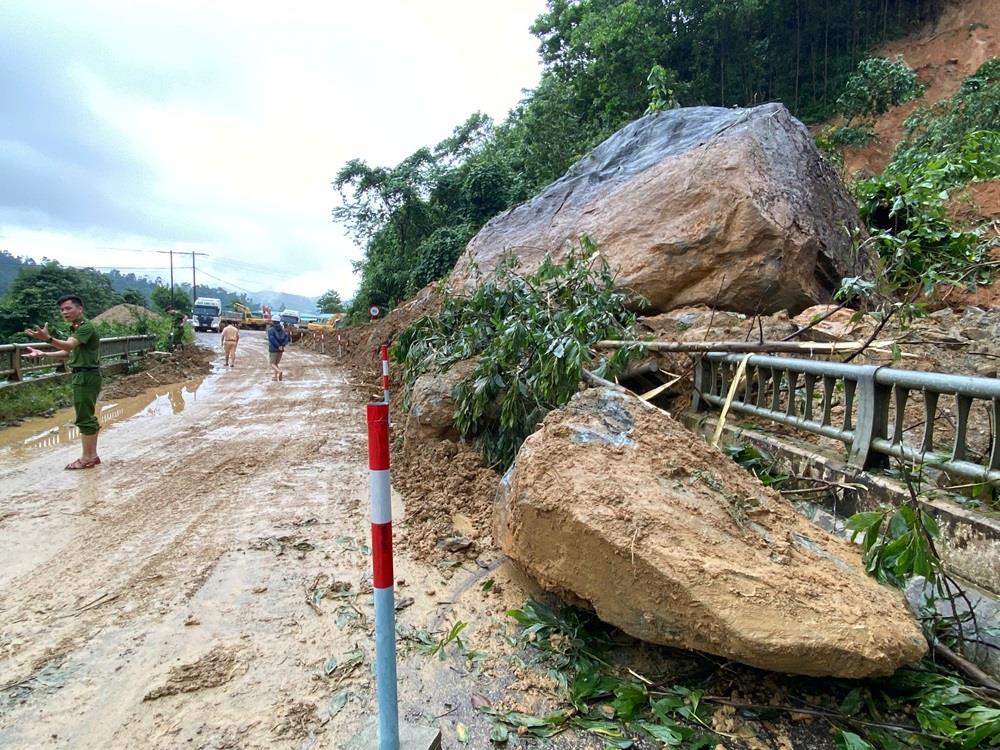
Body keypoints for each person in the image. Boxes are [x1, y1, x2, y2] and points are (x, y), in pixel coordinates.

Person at [23, 294, 103, 470]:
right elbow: (69, 353)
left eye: (68, 308)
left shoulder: (85, 327)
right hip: (83, 375)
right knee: (86, 415)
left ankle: (86, 458)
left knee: (84, 417)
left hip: (85, 376)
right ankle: (92, 456)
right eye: (62, 310)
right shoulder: (75, 328)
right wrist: (45, 354)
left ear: (80, 309)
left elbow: (68, 346)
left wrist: (48, 339)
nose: (64, 312)